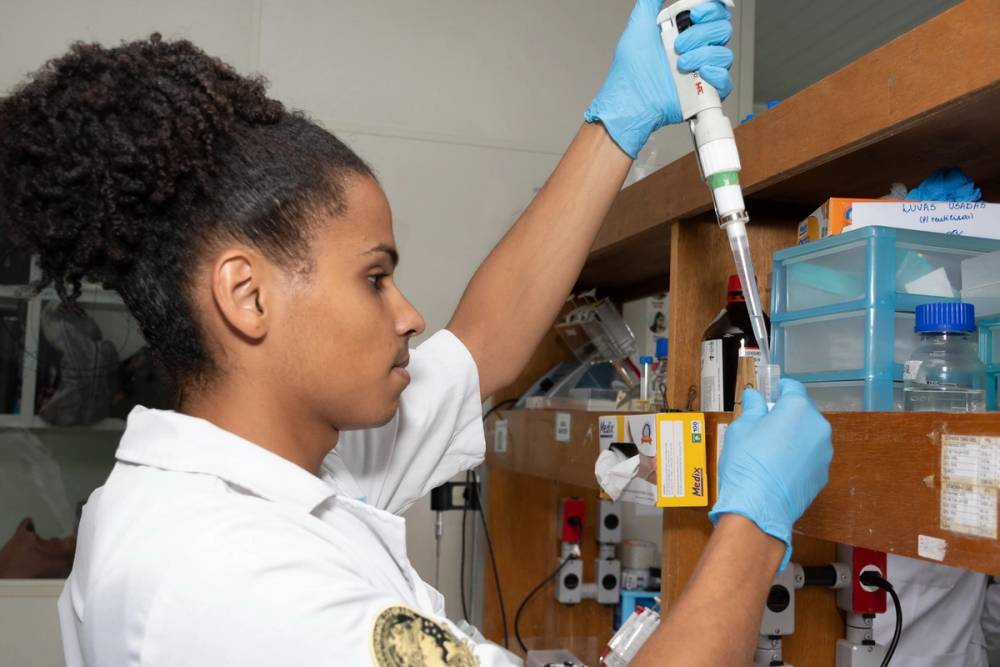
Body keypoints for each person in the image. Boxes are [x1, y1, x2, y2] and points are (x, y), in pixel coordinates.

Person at [0, 1, 832, 665]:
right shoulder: (229, 577)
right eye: (374, 277)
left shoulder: (277, 462)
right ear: (247, 297)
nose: (409, 314)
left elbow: (482, 348)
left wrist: (618, 119)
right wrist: (755, 525)